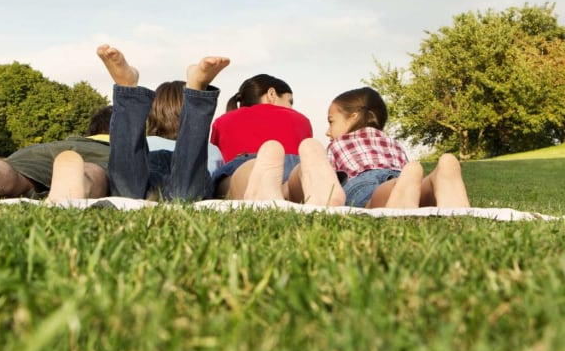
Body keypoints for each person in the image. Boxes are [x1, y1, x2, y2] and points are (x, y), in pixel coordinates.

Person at [235, 85, 470, 209]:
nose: (328, 131)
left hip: (362, 178)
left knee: (372, 200)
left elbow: (327, 177)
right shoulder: (390, 142)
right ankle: (439, 178)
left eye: (331, 122)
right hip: (398, 172)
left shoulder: (340, 143)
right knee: (415, 188)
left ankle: (403, 189)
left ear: (354, 116)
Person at [96, 44, 229, 200]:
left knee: (127, 193)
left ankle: (128, 92)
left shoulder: (146, 142)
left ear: (153, 114)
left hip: (150, 163)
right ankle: (197, 90)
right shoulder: (210, 149)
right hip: (189, 171)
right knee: (186, 195)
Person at [0, 105, 113, 201]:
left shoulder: (66, 143)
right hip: (106, 150)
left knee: (15, 172)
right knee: (93, 170)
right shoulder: (121, 149)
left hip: (42, 151)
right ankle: (76, 186)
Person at [210, 73, 313, 197]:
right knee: (294, 180)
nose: (291, 107)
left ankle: (261, 186)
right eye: (290, 101)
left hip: (245, 165)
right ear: (271, 94)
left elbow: (217, 158)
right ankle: (303, 177)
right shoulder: (301, 119)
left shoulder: (223, 121)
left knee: (233, 179)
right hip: (291, 166)